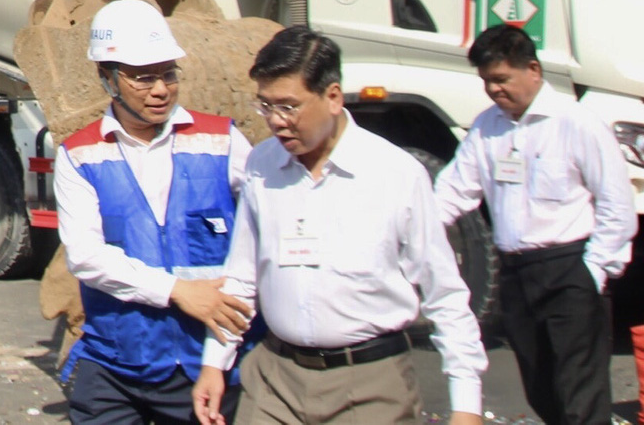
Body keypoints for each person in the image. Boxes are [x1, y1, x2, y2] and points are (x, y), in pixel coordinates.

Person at [193, 26, 485, 425]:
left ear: (332, 97)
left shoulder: (396, 174)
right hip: (276, 381)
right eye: (266, 106)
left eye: (289, 107)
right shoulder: (262, 166)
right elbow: (243, 278)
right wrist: (215, 362)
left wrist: (466, 404)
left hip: (371, 386)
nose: (276, 121)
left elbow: (445, 295)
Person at [55, 0, 255, 425]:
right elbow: (86, 257)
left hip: (205, 363)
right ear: (105, 78)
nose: (161, 89)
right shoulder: (79, 155)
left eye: (168, 74)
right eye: (143, 78)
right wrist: (178, 292)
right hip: (115, 362)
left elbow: (260, 236)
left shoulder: (224, 142)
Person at [435, 23, 635, 425]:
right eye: (487, 81)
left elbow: (617, 204)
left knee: (580, 394)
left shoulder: (575, 123)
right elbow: (454, 190)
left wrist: (592, 272)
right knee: (543, 392)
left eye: (501, 79)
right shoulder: (487, 127)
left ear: (533, 70)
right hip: (517, 275)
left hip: (568, 270)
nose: (493, 89)